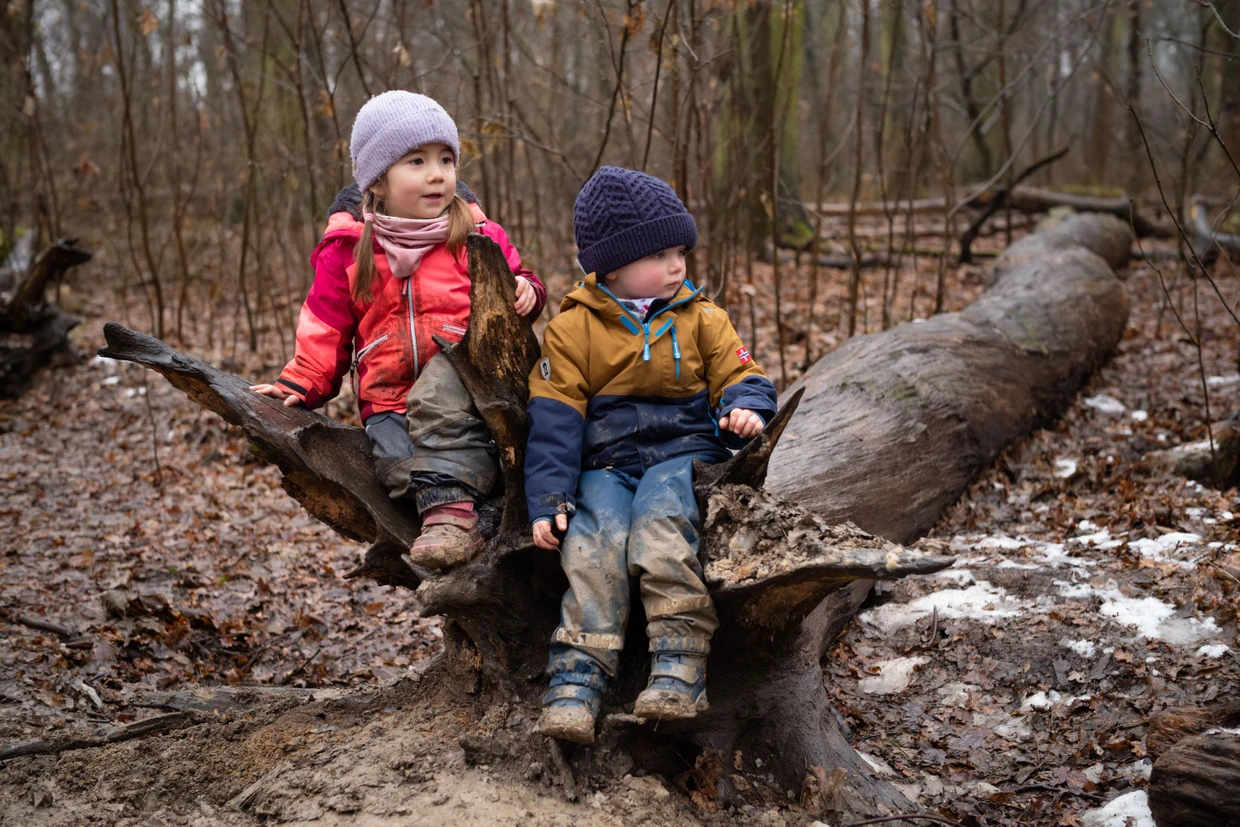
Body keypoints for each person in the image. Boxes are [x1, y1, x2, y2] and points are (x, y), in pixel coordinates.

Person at [524, 166, 777, 744]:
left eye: (680, 250)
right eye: (660, 254)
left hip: (682, 455)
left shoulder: (702, 319)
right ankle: (577, 680)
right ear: (612, 265)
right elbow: (555, 420)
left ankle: (679, 666)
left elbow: (744, 372)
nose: (677, 265)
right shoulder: (571, 330)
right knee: (595, 543)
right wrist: (548, 498)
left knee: (661, 530)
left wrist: (744, 407)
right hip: (605, 465)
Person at [251, 91, 545, 570]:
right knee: (396, 468)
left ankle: (455, 514)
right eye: (416, 161)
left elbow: (514, 282)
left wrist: (527, 291)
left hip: (466, 387)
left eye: (446, 159)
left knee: (447, 422)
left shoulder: (475, 235)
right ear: (379, 181)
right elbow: (325, 323)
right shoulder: (348, 247)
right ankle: (454, 507)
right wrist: (302, 381)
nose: (437, 173)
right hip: (388, 397)